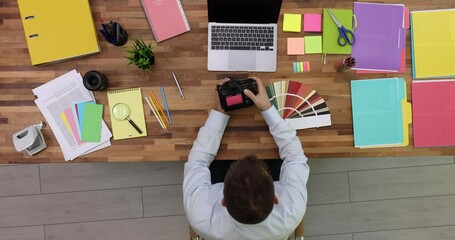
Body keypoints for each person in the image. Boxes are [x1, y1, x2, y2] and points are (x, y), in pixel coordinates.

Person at [183, 77, 309, 240]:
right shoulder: (292, 210)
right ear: (276, 198)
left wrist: (219, 114)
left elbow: (197, 162)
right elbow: (295, 158)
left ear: (223, 201)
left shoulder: (200, 215)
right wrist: (267, 108)